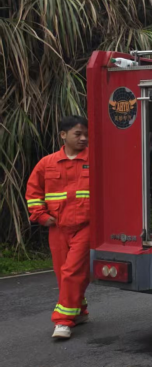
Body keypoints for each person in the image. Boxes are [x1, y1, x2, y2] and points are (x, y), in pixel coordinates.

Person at [26, 116, 91, 339]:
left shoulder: (96, 160)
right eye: (78, 134)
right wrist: (41, 216)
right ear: (63, 135)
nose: (83, 138)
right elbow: (33, 192)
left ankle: (63, 321)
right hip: (58, 227)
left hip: (86, 226)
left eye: (86, 135)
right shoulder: (47, 163)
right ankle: (80, 311)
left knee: (72, 271)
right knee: (62, 272)